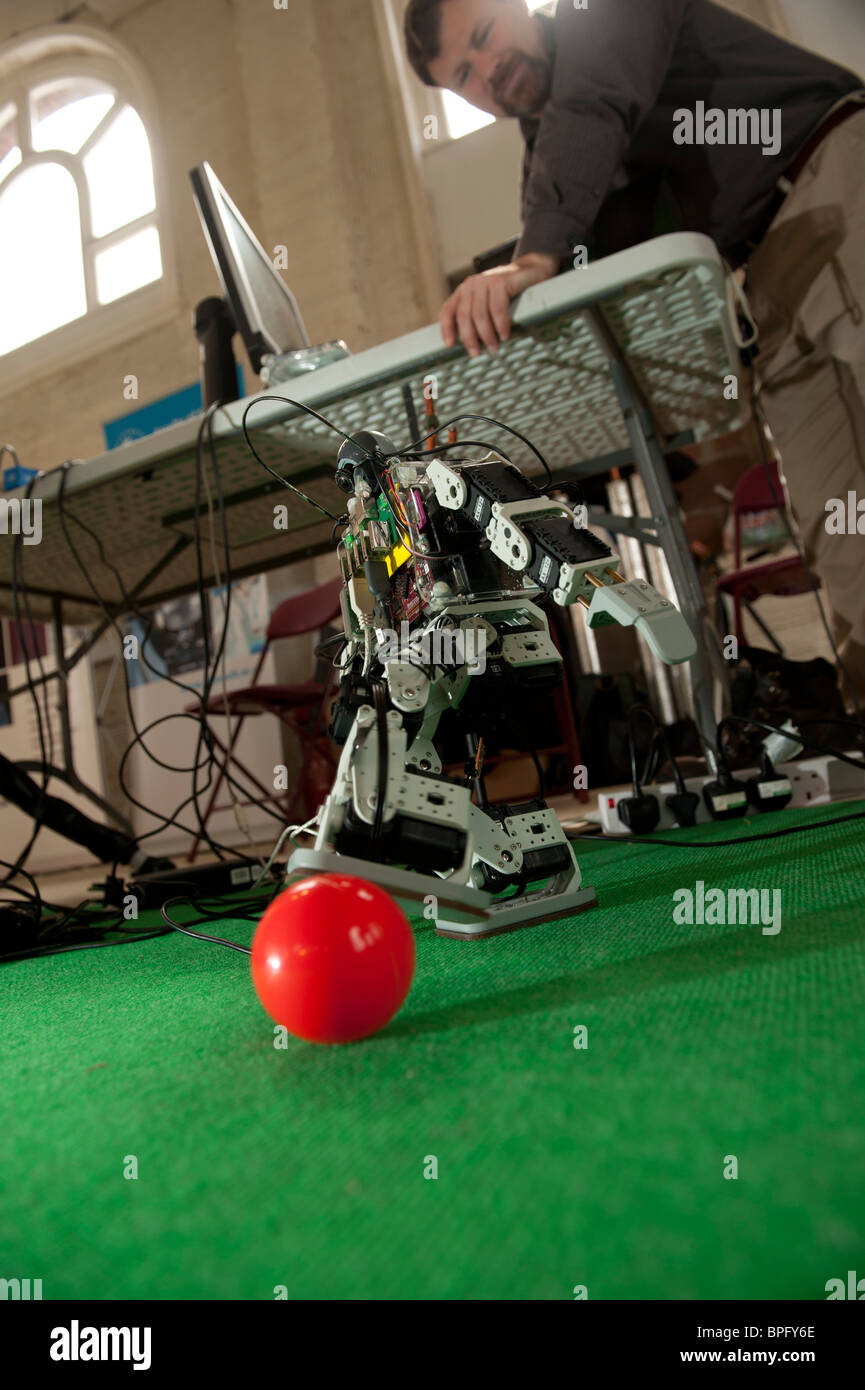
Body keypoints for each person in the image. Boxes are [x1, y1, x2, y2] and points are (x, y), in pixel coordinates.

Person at [403, 0, 865, 706]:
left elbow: (590, 112)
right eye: (464, 73)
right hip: (764, 280)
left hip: (834, 178)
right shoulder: (549, 148)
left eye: (486, 36)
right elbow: (596, 260)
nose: (489, 70)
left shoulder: (597, 19)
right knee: (839, 524)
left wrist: (530, 261)